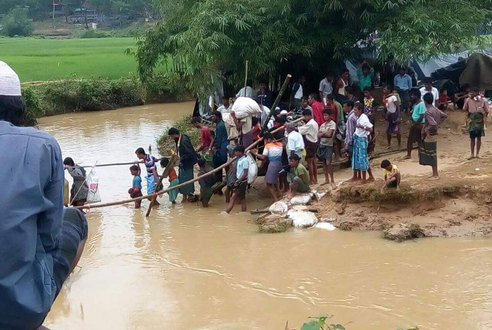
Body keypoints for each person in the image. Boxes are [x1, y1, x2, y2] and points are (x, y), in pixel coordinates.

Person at [0, 60, 87, 329]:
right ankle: (41, 296)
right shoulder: (42, 144)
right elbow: (50, 236)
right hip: (18, 309)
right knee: (75, 218)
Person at [420, 93, 447, 178]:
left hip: (430, 134)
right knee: (432, 153)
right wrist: (439, 123)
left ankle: (435, 174)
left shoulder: (428, 112)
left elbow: (433, 123)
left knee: (431, 154)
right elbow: (444, 116)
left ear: (425, 102)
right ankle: (434, 173)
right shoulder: (435, 109)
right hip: (434, 133)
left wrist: (426, 130)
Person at [168, 127, 198, 203]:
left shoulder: (184, 140)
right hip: (183, 163)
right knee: (182, 180)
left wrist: (181, 159)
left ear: (175, 134)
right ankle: (185, 196)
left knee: (187, 180)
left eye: (172, 136)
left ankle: (189, 196)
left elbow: (190, 153)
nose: (172, 138)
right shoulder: (178, 139)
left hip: (187, 163)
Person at [252, 133, 283, 200]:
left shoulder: (268, 146)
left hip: (273, 164)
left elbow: (263, 157)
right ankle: (279, 192)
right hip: (280, 163)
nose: (265, 142)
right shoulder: (280, 144)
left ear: (268, 139)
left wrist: (255, 153)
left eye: (265, 140)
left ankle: (275, 198)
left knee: (268, 183)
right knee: (276, 178)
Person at [464, 88, 489, 159]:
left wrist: (483, 114)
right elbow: (464, 109)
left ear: (477, 92)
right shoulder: (468, 100)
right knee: (472, 138)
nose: (472, 93)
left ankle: (477, 153)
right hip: (472, 120)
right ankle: (472, 153)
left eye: (474, 91)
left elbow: (487, 111)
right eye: (472, 92)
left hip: (479, 119)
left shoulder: (483, 100)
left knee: (478, 137)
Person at [352, 103, 373, 183]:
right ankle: (366, 176)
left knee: (362, 158)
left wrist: (362, 127)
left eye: (355, 110)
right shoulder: (359, 117)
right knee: (359, 158)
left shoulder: (364, 118)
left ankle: (365, 178)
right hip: (358, 139)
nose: (354, 112)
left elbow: (370, 129)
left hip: (362, 140)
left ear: (360, 110)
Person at [298, 109, 319, 185]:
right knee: (313, 162)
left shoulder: (310, 124)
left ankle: (312, 180)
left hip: (310, 143)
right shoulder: (314, 123)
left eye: (305, 116)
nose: (305, 117)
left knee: (310, 163)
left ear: (309, 116)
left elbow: (300, 130)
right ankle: (315, 179)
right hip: (315, 142)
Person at [226, 145, 249, 213]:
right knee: (242, 198)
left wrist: (238, 181)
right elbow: (236, 171)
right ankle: (244, 212)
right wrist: (230, 165)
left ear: (240, 152)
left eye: (236, 152)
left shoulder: (245, 160)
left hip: (242, 182)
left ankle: (227, 212)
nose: (235, 153)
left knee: (233, 197)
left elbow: (245, 173)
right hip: (239, 181)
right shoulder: (239, 160)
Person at [317, 109, 336, 188]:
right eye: (324, 115)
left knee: (328, 163)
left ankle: (332, 179)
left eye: (326, 115)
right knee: (324, 163)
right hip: (322, 144)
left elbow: (330, 135)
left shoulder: (332, 124)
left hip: (329, 145)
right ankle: (326, 179)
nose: (325, 117)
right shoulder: (322, 125)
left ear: (330, 116)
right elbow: (318, 135)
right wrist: (325, 133)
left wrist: (323, 133)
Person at [405, 88, 426, 159]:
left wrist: (416, 123)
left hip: (419, 125)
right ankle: (410, 154)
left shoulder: (421, 104)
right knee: (412, 140)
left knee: (418, 140)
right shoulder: (415, 105)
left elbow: (422, 115)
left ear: (416, 96)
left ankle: (420, 155)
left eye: (412, 95)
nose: (411, 97)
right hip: (415, 124)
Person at [211, 111, 229, 182]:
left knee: (218, 165)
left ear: (217, 117)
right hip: (223, 146)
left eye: (213, 116)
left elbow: (219, 139)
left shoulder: (220, 126)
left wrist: (215, 147)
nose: (212, 118)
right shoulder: (220, 124)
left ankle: (219, 182)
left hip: (221, 147)